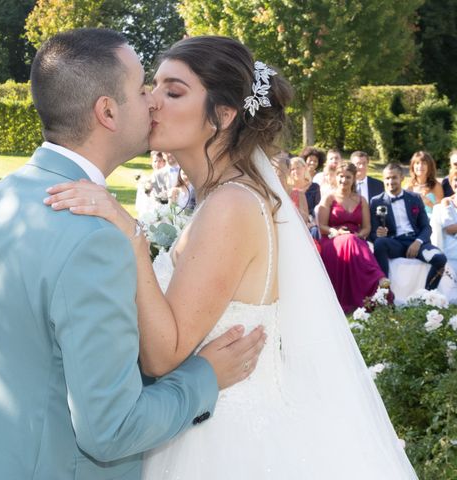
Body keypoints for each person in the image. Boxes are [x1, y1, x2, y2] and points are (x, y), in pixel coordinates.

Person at [47, 35, 417, 479]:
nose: (152, 102)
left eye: (174, 91)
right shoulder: (222, 198)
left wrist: (131, 237)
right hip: (201, 420)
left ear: (223, 116)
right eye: (153, 86)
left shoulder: (231, 206)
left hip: (226, 441)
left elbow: (164, 355)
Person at [0, 29, 264, 480]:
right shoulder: (92, 237)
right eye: (143, 87)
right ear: (107, 111)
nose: (152, 102)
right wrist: (205, 376)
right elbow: (111, 429)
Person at [318, 162, 388, 312]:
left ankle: (373, 293)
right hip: (332, 240)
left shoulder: (361, 200)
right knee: (350, 240)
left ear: (354, 178)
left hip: (356, 239)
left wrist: (359, 235)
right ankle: (379, 277)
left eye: (348, 177)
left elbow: (367, 227)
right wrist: (336, 232)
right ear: (336, 177)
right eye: (341, 176)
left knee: (353, 240)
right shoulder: (329, 198)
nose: (344, 180)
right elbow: (322, 227)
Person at [370, 162, 446, 291]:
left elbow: (426, 227)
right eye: (387, 178)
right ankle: (384, 293)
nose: (390, 181)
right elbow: (372, 234)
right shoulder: (376, 201)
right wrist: (378, 234)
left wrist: (418, 242)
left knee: (440, 259)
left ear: (401, 178)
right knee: (380, 243)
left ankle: (427, 295)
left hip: (417, 242)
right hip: (395, 243)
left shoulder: (414, 197)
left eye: (394, 177)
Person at [288, 156, 320, 237]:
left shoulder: (314, 187)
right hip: (293, 223)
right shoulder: (287, 189)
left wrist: (311, 223)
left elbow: (317, 208)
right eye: (292, 169)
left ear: (304, 168)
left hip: (311, 223)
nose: (295, 171)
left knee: (314, 231)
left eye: (298, 167)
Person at [406, 150, 443, 214]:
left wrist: (428, 202)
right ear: (413, 166)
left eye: (424, 163)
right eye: (417, 163)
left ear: (429, 167)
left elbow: (441, 211)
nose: (420, 166)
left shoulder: (436, 186)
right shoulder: (408, 186)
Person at [438, 166, 457, 268]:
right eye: (455, 180)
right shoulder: (447, 202)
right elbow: (449, 228)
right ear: (450, 182)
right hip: (452, 251)